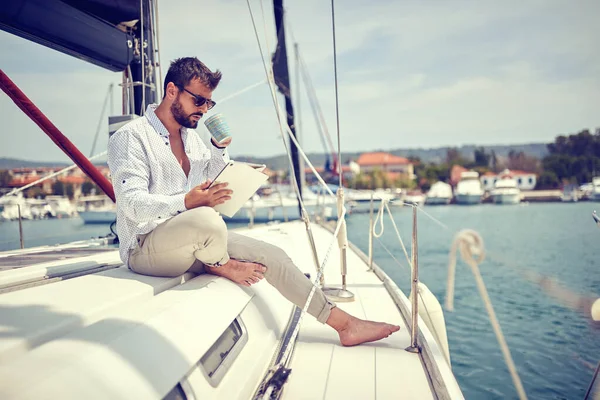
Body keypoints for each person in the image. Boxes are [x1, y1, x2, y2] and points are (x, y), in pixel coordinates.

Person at [107, 57, 399, 346]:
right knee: (207, 220)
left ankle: (344, 325)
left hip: (194, 239)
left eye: (209, 103)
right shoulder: (131, 137)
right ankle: (221, 265)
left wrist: (220, 151)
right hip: (145, 248)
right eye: (199, 101)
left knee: (273, 255)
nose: (204, 110)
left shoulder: (192, 138)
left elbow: (211, 177)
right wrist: (186, 201)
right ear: (172, 91)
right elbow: (131, 202)